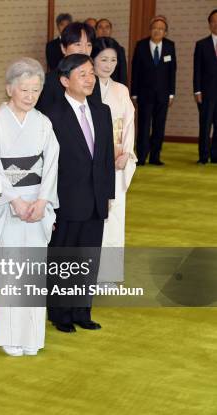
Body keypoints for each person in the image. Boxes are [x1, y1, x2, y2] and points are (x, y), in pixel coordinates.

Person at [0, 57, 59, 356]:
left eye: (36, 90)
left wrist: (43, 200)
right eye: (24, 89)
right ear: (9, 88)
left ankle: (31, 336)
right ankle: (10, 336)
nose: (30, 96)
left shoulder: (43, 122)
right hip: (9, 203)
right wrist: (15, 200)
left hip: (36, 203)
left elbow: (51, 164)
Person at [42, 54, 115, 333]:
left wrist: (106, 194)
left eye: (91, 73)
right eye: (82, 74)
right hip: (66, 200)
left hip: (95, 199)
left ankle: (82, 311)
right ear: (64, 80)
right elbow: (47, 163)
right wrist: (50, 203)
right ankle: (60, 314)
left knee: (88, 257)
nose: (90, 79)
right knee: (63, 257)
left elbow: (105, 156)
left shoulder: (102, 111)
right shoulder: (51, 115)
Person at [92, 37, 137, 283]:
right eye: (103, 59)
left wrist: (126, 154)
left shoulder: (121, 90)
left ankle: (108, 275)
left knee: (115, 215)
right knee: (93, 216)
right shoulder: (85, 88)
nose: (108, 65)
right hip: (92, 159)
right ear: (93, 60)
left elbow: (128, 124)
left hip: (117, 158)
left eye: (113, 60)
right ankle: (87, 272)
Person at [131, 15, 177, 166]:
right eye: (155, 28)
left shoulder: (170, 46)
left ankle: (155, 157)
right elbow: (135, 70)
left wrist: (171, 93)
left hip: (163, 94)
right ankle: (142, 157)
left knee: (159, 126)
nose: (157, 31)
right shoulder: (141, 45)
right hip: (144, 94)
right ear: (150, 30)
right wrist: (134, 93)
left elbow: (172, 71)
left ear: (165, 32)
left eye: (161, 29)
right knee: (143, 126)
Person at [36, 21, 100, 113]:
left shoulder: (93, 80)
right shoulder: (48, 82)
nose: (84, 50)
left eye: (89, 45)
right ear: (63, 48)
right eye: (78, 44)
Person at [193, 9, 217, 164]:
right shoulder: (201, 44)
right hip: (206, 92)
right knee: (205, 125)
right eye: (213, 21)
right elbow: (197, 70)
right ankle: (203, 156)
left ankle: (215, 156)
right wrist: (197, 90)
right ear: (209, 24)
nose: (216, 24)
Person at [95, 18, 128, 85]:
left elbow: (122, 74)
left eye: (107, 27)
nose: (104, 30)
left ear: (111, 30)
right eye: (100, 27)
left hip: (113, 85)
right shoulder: (91, 48)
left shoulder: (119, 49)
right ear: (96, 30)